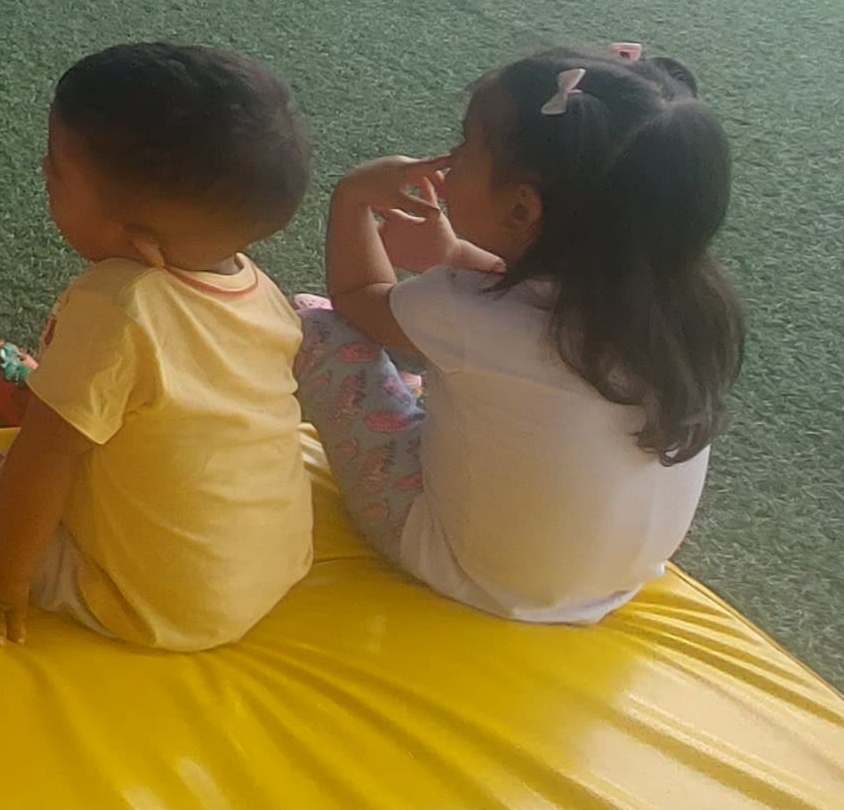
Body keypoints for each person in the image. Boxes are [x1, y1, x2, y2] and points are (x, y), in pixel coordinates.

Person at [0, 42, 315, 652]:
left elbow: (43, 462)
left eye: (57, 171)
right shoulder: (260, 292)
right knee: (101, 404)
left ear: (135, 240)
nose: (42, 168)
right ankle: (55, 394)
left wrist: (1, 580)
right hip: (264, 570)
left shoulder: (121, 306)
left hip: (143, 600)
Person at [295, 44, 741, 624]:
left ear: (522, 208)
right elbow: (537, 320)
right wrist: (455, 255)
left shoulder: (463, 311)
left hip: (467, 569)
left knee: (315, 325)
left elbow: (358, 300)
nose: (452, 160)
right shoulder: (686, 306)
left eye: (466, 146)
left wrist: (353, 196)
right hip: (615, 580)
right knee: (448, 354)